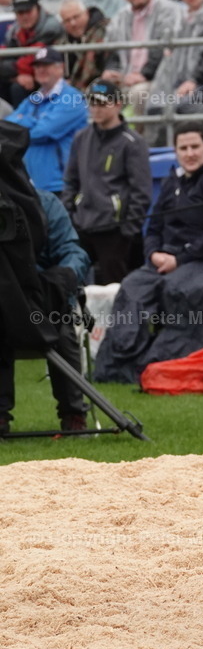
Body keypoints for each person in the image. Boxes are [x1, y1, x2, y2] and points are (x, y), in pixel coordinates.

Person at [94, 121, 203, 383]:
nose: (189, 153)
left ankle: (164, 366)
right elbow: (153, 225)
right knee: (131, 288)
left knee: (177, 290)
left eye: (195, 147)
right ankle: (119, 370)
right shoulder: (173, 179)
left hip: (200, 260)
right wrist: (153, 254)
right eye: (183, 148)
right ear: (175, 151)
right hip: (162, 259)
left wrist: (179, 259)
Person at [0, 130, 92, 436]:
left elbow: (73, 251)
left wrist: (64, 276)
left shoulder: (46, 204)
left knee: (63, 328)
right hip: (2, 301)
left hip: (41, 297)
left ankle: (73, 413)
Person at [62, 81, 152, 284]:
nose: (96, 109)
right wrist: (70, 217)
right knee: (74, 284)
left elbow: (142, 192)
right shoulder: (81, 138)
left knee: (115, 289)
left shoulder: (132, 142)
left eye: (103, 103)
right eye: (92, 103)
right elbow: (70, 180)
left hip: (114, 231)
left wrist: (126, 230)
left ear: (118, 104)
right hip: (82, 225)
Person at [6, 47, 88, 193]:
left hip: (61, 184)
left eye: (46, 65)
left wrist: (24, 120)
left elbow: (42, 132)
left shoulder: (73, 98)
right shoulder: (35, 98)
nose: (41, 69)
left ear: (61, 68)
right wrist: (34, 122)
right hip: (32, 182)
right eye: (37, 66)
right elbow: (8, 125)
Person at [0, 0, 63, 107]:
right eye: (20, 12)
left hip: (47, 77)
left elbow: (33, 61)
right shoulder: (14, 31)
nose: (24, 16)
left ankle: (19, 123)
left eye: (28, 11)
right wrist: (16, 76)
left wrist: (13, 71)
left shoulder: (50, 27)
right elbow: (3, 58)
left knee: (18, 88)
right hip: (23, 77)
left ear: (37, 9)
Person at [57, 0, 109, 91]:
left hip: (101, 86)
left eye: (76, 17)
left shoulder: (106, 31)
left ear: (86, 13)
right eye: (67, 20)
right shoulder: (62, 43)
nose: (73, 23)